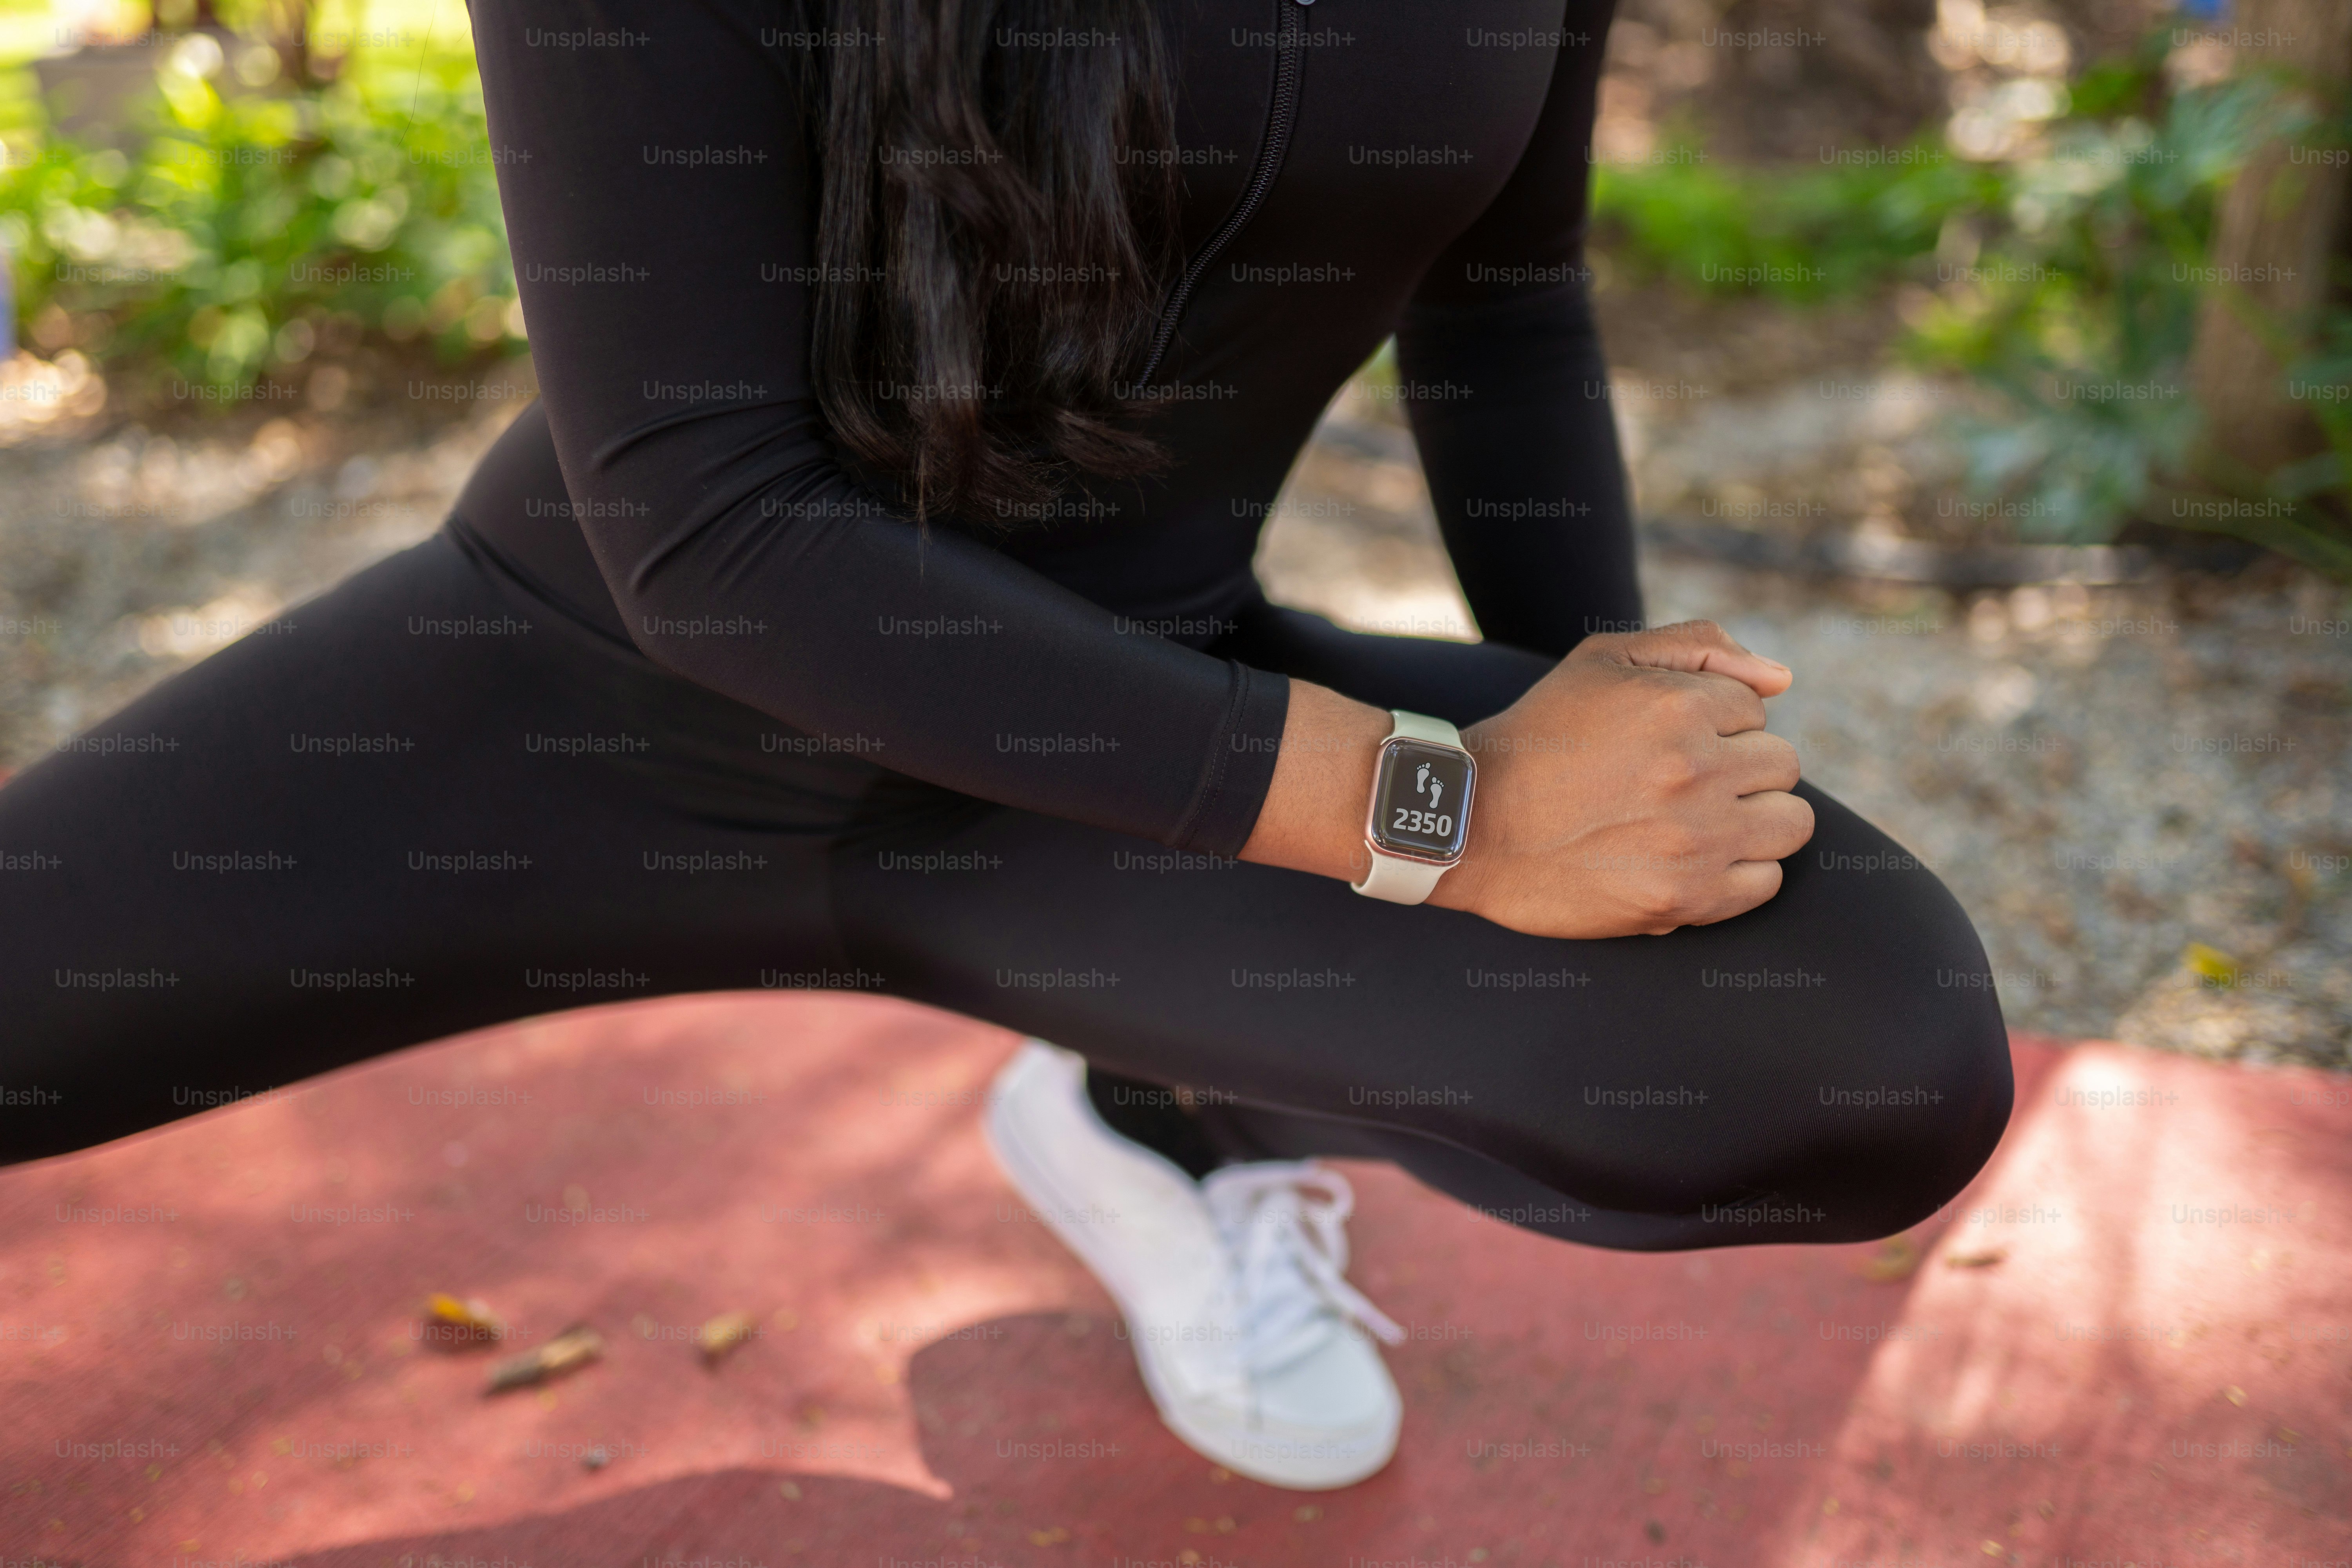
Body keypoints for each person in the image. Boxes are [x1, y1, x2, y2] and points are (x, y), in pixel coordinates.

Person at [0, 0, 2011, 1489]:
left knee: (1861, 1059)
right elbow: (713, 530)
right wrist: (1454, 816)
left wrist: (1611, 738)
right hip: (587, 713)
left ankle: (1148, 1114)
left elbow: (1504, 303)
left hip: (1118, 757)